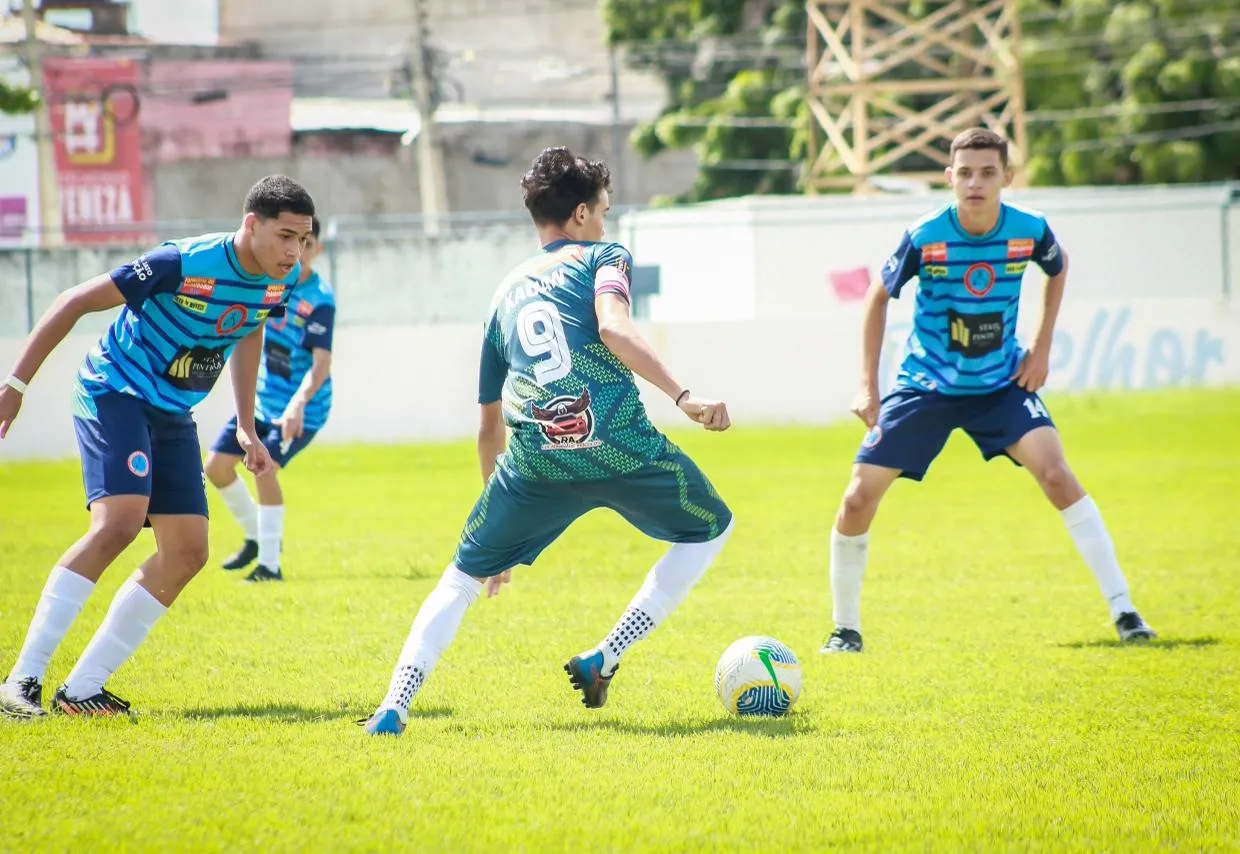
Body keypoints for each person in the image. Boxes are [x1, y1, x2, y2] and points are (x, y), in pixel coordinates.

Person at [362, 147, 734, 736]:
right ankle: (606, 656)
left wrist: (498, 522)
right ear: (582, 213)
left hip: (533, 459)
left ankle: (394, 704)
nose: (608, 223)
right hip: (616, 442)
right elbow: (612, 326)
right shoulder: (603, 255)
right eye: (605, 210)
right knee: (713, 526)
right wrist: (683, 396)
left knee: (459, 579)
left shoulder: (503, 294)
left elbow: (487, 423)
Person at [821, 128, 1156, 655]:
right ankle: (845, 630)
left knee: (1056, 474)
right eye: (966, 172)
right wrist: (868, 384)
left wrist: (1042, 348)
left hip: (1001, 383)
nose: (975, 182)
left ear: (1007, 176)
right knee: (858, 497)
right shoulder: (926, 233)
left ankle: (1126, 611)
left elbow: (1058, 266)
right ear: (950, 177)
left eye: (987, 172)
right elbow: (877, 296)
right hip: (926, 384)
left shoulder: (1029, 229)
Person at [0, 176, 314, 718]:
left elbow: (249, 331)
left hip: (172, 411)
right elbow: (74, 301)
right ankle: (20, 682)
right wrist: (16, 387)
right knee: (119, 523)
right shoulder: (182, 263)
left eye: (303, 239)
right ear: (251, 224)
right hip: (114, 391)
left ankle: (81, 691)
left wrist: (245, 424)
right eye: (285, 235)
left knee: (188, 550)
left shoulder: (278, 284)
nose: (294, 251)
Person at [204, 216, 336, 583]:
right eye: (294, 241)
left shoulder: (319, 299)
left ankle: (269, 566)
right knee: (216, 467)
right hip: (261, 403)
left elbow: (321, 363)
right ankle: (256, 537)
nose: (298, 251)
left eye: (307, 243)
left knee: (265, 469)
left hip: (301, 410)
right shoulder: (271, 283)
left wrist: (297, 405)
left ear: (316, 249)